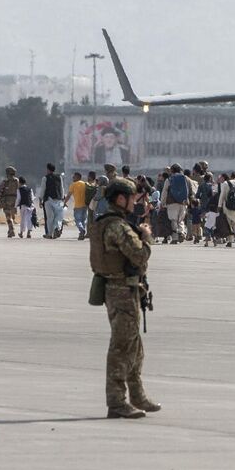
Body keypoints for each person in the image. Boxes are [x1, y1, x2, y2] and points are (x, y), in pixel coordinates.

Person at [87, 178, 160, 419]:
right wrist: (146, 238)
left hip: (123, 290)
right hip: (121, 292)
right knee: (121, 347)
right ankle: (117, 402)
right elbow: (138, 255)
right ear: (121, 199)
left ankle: (137, 395)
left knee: (134, 346)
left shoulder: (110, 222)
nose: (135, 202)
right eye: (132, 198)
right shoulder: (118, 226)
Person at [161, 165, 192, 244]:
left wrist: (162, 202)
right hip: (183, 202)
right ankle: (181, 232)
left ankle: (175, 238)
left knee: (173, 219)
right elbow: (188, 191)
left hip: (172, 202)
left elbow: (164, 192)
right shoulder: (185, 178)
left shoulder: (169, 179)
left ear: (171, 170)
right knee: (180, 219)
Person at [0, 167, 19, 238]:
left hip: (6, 201)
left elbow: (0, 192)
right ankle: (10, 230)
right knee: (12, 215)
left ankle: (11, 229)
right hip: (14, 201)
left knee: (8, 216)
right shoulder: (17, 181)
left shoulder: (5, 182)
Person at [42, 163, 65, 239]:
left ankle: (49, 234)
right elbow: (62, 188)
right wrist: (62, 197)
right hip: (58, 200)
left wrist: (40, 199)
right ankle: (57, 228)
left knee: (50, 218)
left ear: (48, 169)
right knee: (58, 216)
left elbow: (43, 189)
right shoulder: (59, 177)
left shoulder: (45, 178)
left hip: (48, 200)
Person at [69, 171, 92, 240]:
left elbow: (68, 195)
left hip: (77, 206)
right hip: (85, 206)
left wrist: (64, 202)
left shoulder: (73, 184)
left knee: (77, 220)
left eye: (74, 176)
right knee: (83, 220)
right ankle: (82, 233)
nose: (73, 177)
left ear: (78, 177)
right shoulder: (85, 184)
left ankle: (81, 230)